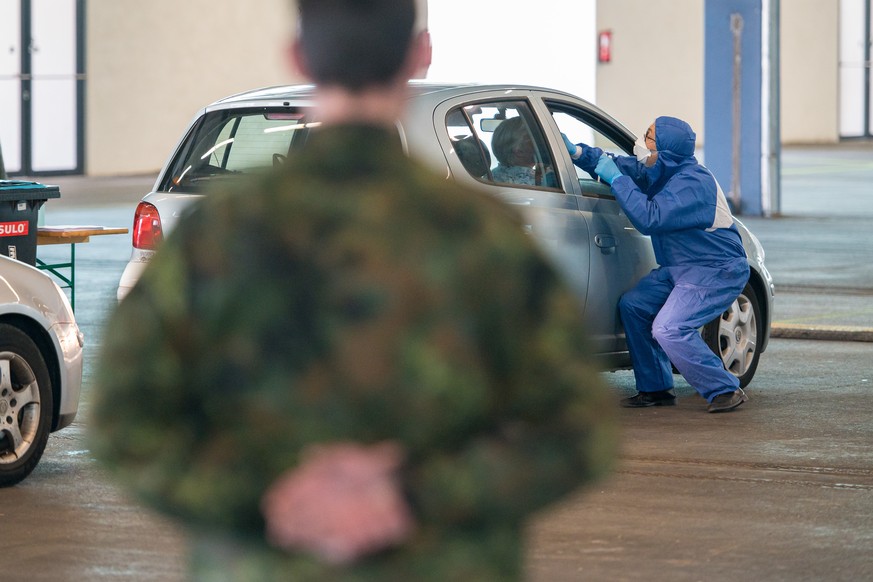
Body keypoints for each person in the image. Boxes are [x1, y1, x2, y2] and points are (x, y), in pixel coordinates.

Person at [88, 0, 616, 579]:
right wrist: (411, 495)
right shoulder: (482, 236)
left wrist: (271, 498)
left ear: (298, 56)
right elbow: (576, 430)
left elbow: (123, 422)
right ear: (420, 56)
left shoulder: (215, 237)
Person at [567, 116, 750, 413]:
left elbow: (650, 219)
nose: (641, 141)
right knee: (634, 305)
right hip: (678, 269)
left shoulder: (694, 183)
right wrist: (576, 152)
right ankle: (656, 388)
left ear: (665, 149)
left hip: (714, 270)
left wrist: (618, 181)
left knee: (669, 328)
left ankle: (724, 389)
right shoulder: (660, 170)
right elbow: (619, 164)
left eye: (648, 137)